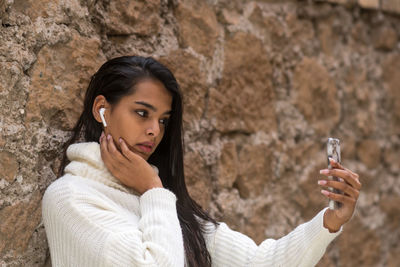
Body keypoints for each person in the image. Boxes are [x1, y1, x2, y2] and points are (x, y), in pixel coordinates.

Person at [42, 56, 361, 267]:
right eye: (142, 113)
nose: (154, 130)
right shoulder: (70, 199)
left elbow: (259, 262)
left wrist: (332, 219)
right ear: (103, 110)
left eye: (164, 120)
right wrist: (153, 189)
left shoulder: (164, 205)